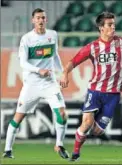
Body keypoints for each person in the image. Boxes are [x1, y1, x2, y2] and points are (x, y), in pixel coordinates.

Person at [59, 11, 122, 161]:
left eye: (114, 24)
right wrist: (65, 73)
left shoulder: (121, 42)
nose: (113, 27)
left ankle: (82, 135)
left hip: (113, 95)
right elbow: (73, 61)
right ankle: (76, 153)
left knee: (98, 131)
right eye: (109, 25)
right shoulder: (92, 47)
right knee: (87, 123)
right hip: (96, 91)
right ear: (101, 28)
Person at [2, 8, 69, 159]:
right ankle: (7, 150)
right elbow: (23, 63)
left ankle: (59, 145)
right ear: (33, 20)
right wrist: (39, 70)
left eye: (43, 18)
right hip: (31, 85)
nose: (41, 20)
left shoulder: (52, 35)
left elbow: (55, 55)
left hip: (49, 83)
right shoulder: (27, 39)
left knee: (62, 114)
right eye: (38, 18)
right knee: (18, 118)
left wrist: (63, 72)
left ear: (46, 20)